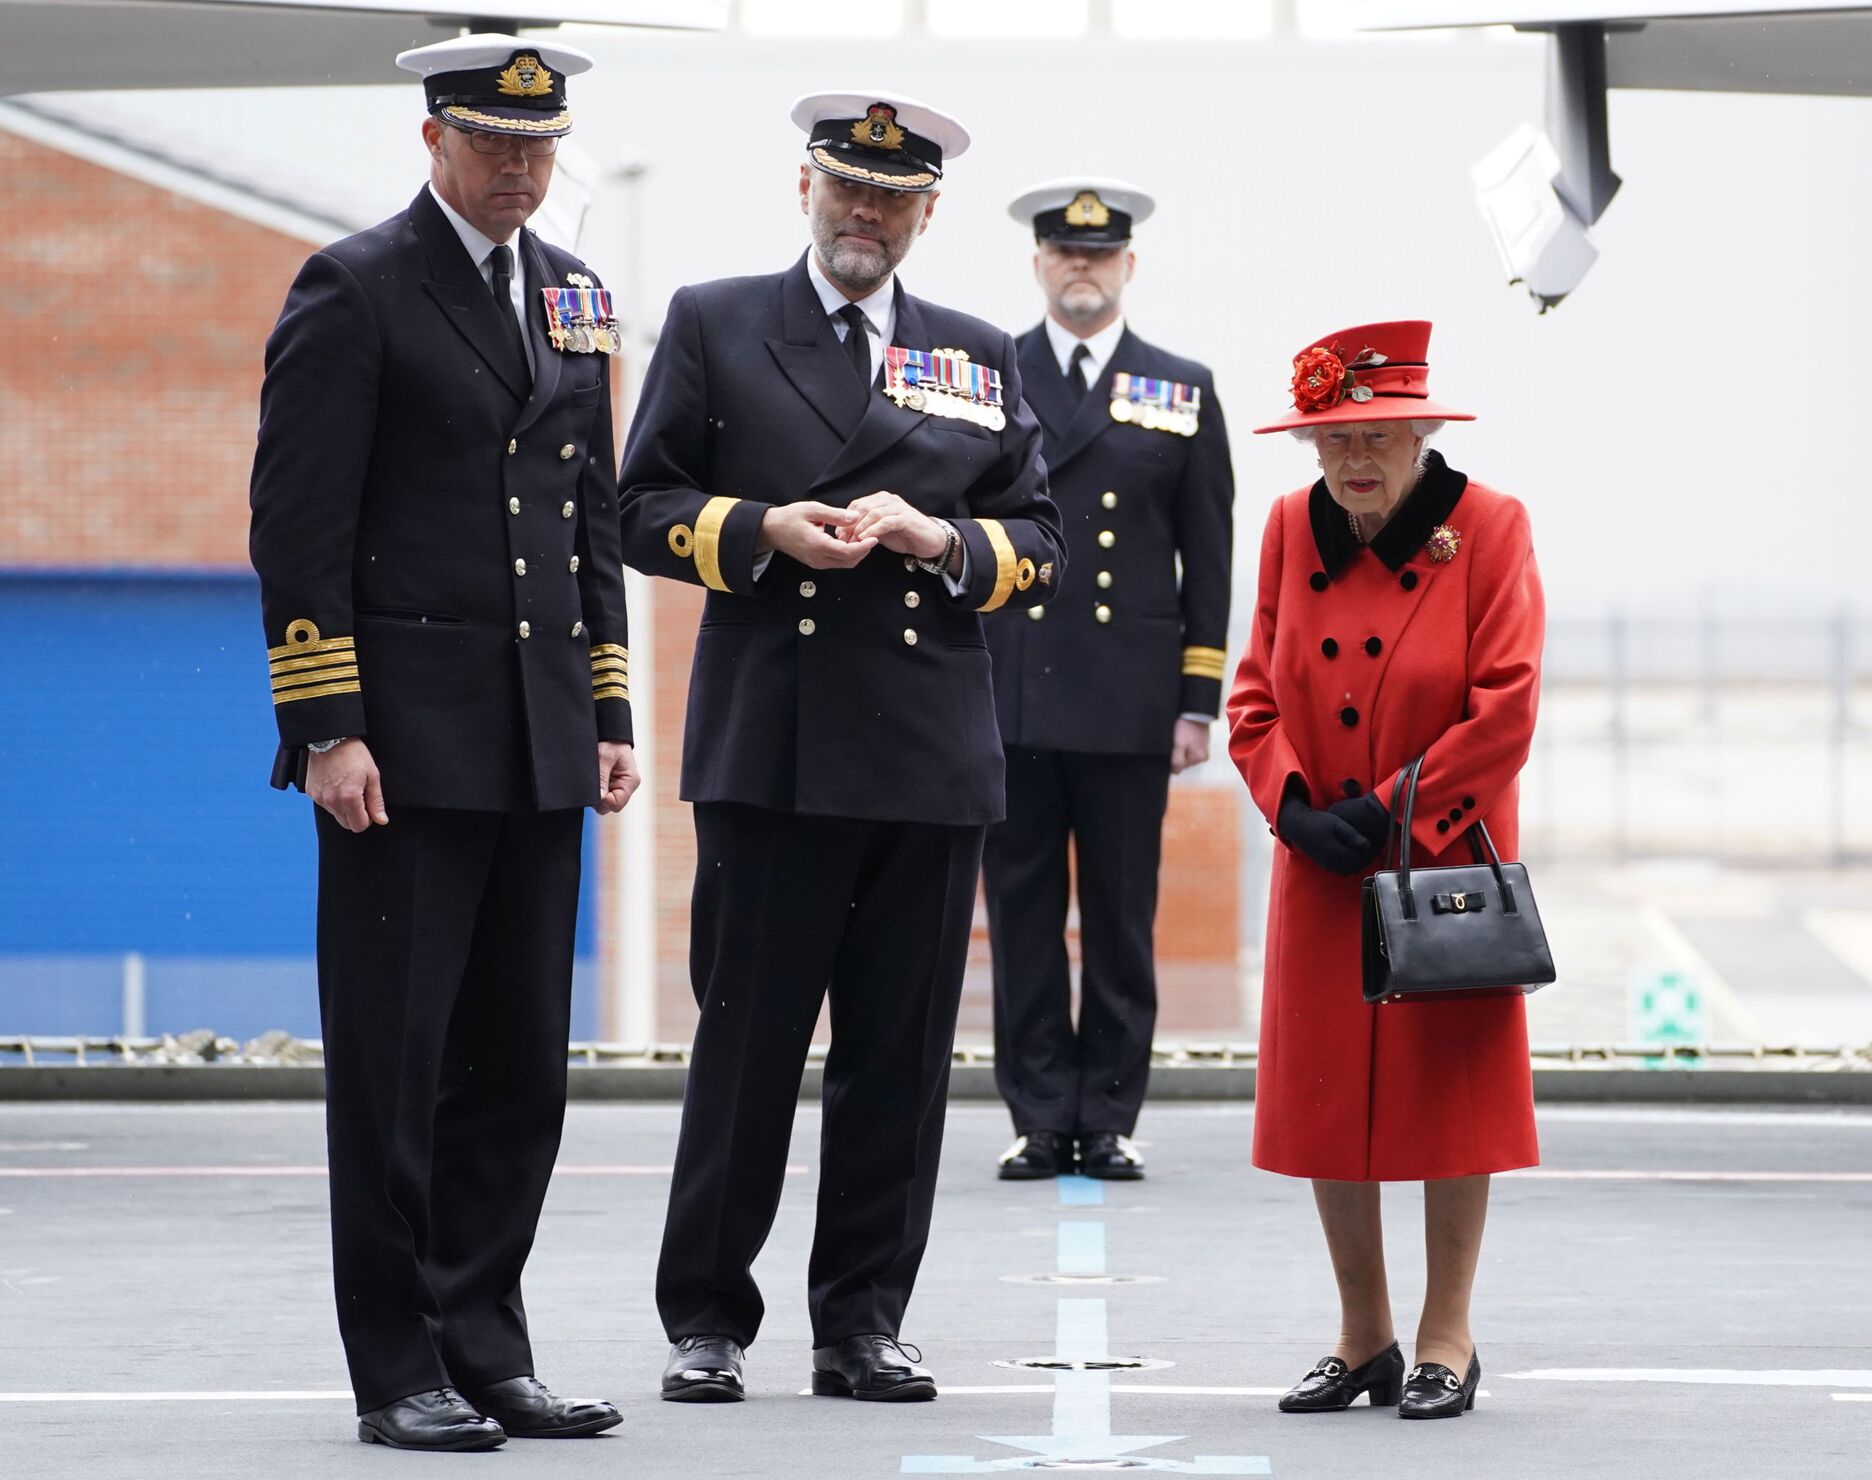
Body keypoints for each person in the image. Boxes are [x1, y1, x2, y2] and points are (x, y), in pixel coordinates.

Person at [619, 91, 1064, 1406]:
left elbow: (1033, 535)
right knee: (747, 1048)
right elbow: (640, 506)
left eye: (892, 198)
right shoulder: (716, 321)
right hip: (778, 751)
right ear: (803, 189)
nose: (864, 214)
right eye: (844, 188)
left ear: (928, 213)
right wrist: (762, 529)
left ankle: (862, 1320)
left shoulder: (979, 353)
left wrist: (943, 541)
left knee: (899, 1059)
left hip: (928, 760)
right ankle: (705, 1317)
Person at [247, 33, 634, 1451]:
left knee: (519, 1063)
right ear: (433, 139)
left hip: (537, 743)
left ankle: (488, 1342)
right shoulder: (355, 288)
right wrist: (329, 726)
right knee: (399, 1066)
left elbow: (588, 512)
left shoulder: (576, 296)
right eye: (493, 144)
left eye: (539, 147)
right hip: (401, 752)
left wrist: (608, 708)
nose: (519, 169)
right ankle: (395, 1361)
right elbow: (297, 528)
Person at [1226, 321, 1543, 1420]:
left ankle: (1446, 1333)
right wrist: (1294, 801)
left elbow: (1507, 707)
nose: (1353, 461)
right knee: (1329, 1101)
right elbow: (1253, 693)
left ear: (1419, 430)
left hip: (1441, 858)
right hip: (1324, 870)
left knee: (1449, 1099)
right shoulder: (1284, 529)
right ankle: (1362, 1337)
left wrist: (1397, 805)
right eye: (1330, 440)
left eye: (1375, 436)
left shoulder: (1490, 528)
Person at [982, 179, 1233, 1182]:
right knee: (1024, 916)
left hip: (1130, 700)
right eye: (1063, 253)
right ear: (1039, 264)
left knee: (1123, 917)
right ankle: (1042, 1116)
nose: (1081, 267)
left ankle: (1111, 1113)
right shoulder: (987, 373)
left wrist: (1198, 698)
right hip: (1015, 692)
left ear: (1128, 265)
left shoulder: (1180, 385)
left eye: (1100, 254)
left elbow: (1206, 554)